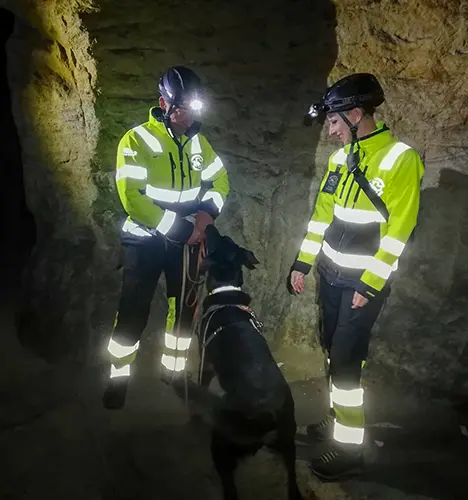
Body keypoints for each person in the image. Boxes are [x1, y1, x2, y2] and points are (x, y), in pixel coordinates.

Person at [290, 73, 424, 480]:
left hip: (363, 285)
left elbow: (400, 231)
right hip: (331, 277)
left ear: (354, 114)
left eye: (333, 122)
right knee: (334, 350)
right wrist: (303, 262)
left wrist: (371, 284)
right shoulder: (338, 160)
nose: (330, 132)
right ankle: (337, 420)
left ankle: (350, 453)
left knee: (346, 364)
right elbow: (321, 219)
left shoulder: (401, 158)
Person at [103, 66, 230, 409]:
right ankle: (118, 378)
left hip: (185, 243)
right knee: (132, 310)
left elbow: (221, 183)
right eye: (181, 109)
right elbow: (132, 197)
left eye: (193, 109)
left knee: (184, 310)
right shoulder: (136, 140)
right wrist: (181, 228)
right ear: (164, 103)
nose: (188, 116)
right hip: (144, 241)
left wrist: (206, 216)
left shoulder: (198, 142)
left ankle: (172, 372)